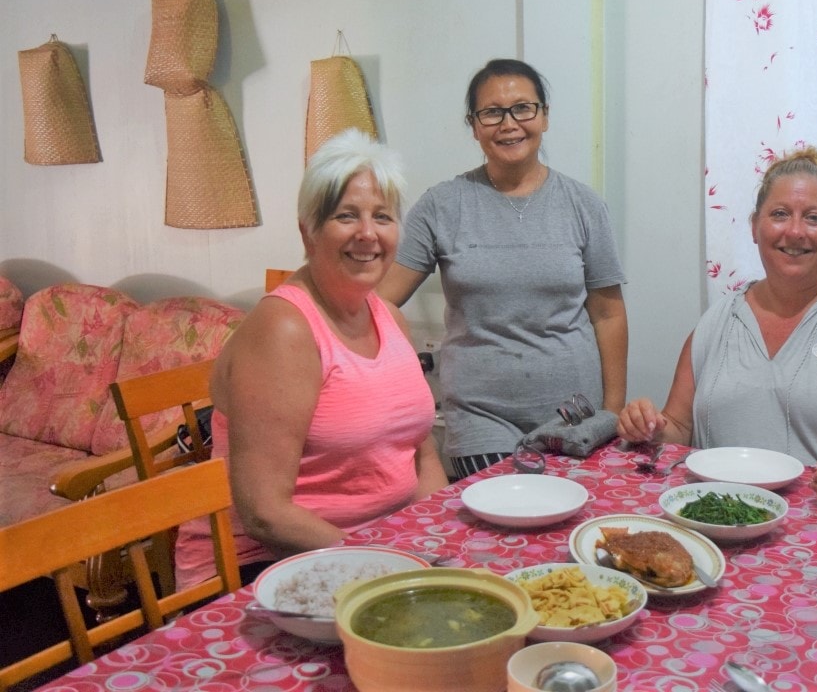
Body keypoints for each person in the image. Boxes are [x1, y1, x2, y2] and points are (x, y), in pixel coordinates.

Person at [174, 129, 448, 588]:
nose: (368, 233)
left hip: (379, 551)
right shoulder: (284, 331)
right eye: (346, 216)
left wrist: (437, 540)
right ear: (309, 231)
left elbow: (423, 457)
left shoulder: (390, 318)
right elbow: (265, 514)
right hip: (265, 567)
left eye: (382, 216)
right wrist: (387, 565)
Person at [617, 146, 817, 510]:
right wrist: (648, 427)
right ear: (755, 227)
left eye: (814, 218)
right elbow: (678, 428)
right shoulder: (718, 320)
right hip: (734, 521)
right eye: (780, 214)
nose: (796, 231)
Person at [379, 59, 628, 478]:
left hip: (576, 414)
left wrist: (612, 412)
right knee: (497, 529)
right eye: (491, 112)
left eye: (523, 108)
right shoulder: (442, 205)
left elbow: (609, 313)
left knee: (567, 528)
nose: (508, 123)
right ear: (474, 126)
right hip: (480, 417)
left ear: (544, 116)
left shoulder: (583, 205)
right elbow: (381, 303)